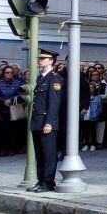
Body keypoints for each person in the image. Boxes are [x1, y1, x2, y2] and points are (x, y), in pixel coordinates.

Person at [27, 49, 62, 192]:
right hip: (38, 121)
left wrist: (49, 122)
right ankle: (41, 181)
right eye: (40, 58)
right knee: (40, 154)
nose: (40, 60)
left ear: (51, 61)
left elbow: (54, 103)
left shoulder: (54, 78)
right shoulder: (41, 77)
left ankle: (48, 182)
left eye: (43, 58)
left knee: (49, 154)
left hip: (47, 122)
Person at [0, 66, 24, 156]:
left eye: (11, 72)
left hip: (14, 109)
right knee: (2, 130)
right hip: (2, 109)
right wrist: (3, 101)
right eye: (7, 72)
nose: (9, 74)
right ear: (3, 73)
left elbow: (21, 95)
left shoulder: (18, 83)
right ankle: (2, 148)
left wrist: (11, 100)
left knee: (13, 130)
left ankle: (12, 148)